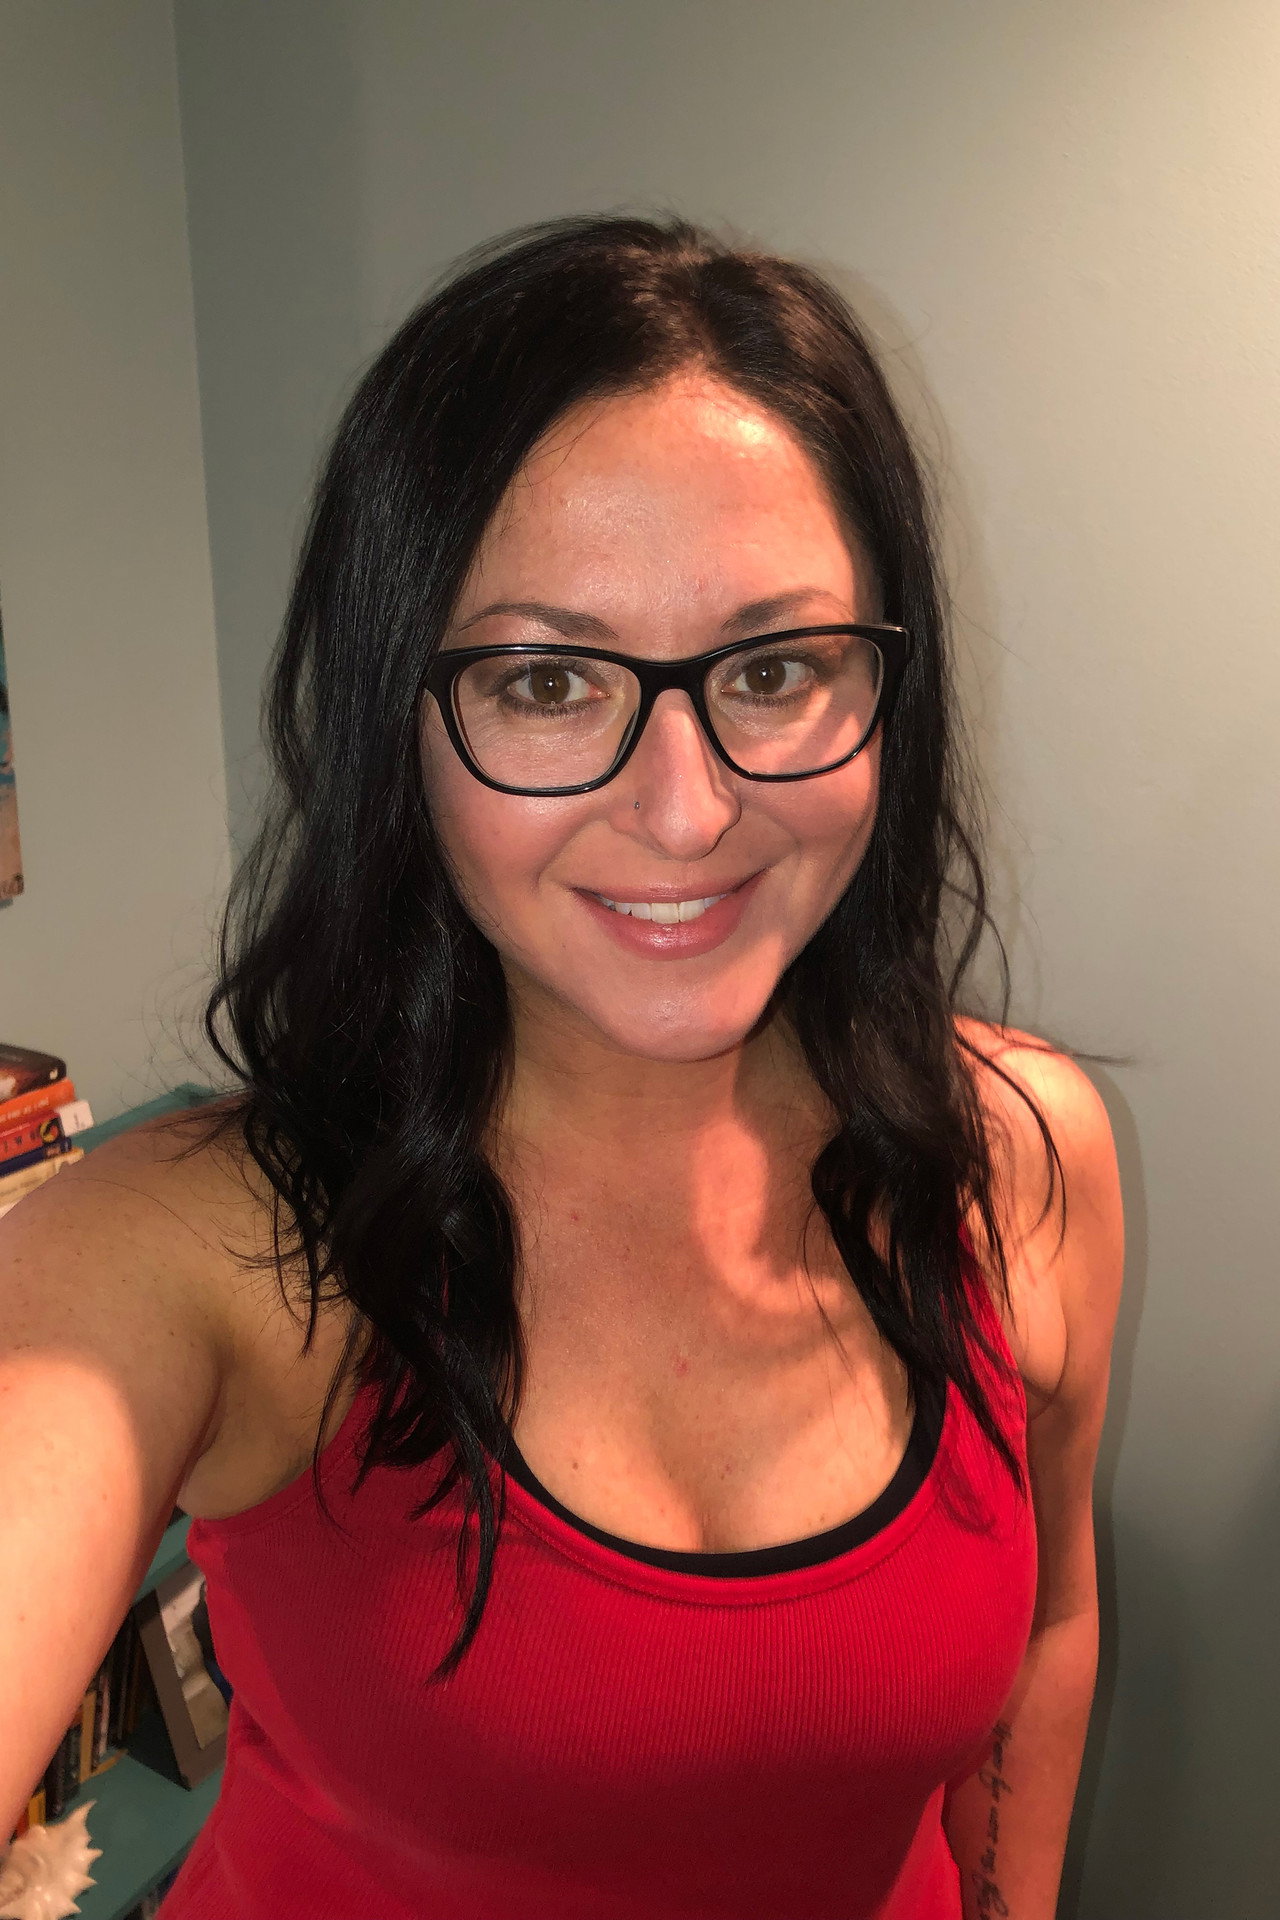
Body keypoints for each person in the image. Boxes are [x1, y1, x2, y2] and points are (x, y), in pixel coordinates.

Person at [0, 213, 1124, 1919]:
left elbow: (1050, 1624)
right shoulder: (194, 1245)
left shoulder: (1024, 1154)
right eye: (544, 681)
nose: (686, 810)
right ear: (397, 725)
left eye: (774, 668)